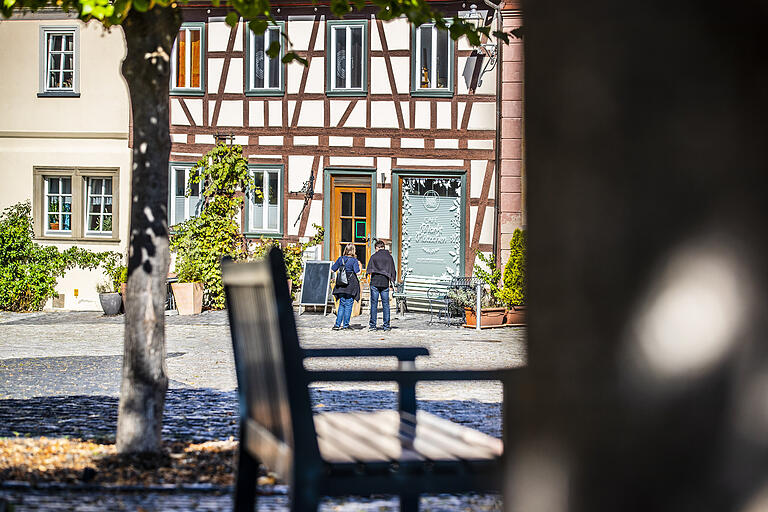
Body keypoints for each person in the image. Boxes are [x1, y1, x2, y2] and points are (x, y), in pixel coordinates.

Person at [365, 239, 397, 332]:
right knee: (386, 305)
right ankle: (386, 326)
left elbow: (369, 269)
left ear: (377, 248)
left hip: (374, 283)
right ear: (383, 247)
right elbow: (393, 270)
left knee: (374, 305)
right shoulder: (389, 257)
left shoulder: (374, 257)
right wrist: (392, 281)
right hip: (384, 284)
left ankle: (373, 326)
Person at [331, 243, 361, 330]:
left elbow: (332, 269)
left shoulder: (340, 259)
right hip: (350, 286)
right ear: (353, 251)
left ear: (345, 250)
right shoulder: (354, 260)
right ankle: (345, 325)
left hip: (341, 285)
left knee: (341, 305)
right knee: (348, 305)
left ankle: (337, 325)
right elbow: (357, 272)